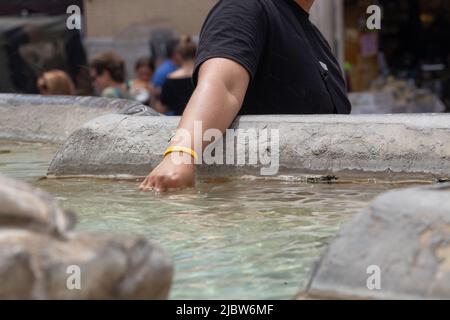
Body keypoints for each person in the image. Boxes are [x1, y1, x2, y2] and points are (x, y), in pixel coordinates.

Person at [140, 0, 352, 192]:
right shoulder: (246, 6)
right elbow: (223, 84)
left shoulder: (316, 37)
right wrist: (181, 153)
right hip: (261, 214)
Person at [156, 35, 197, 115]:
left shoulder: (170, 79)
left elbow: (162, 108)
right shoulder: (203, 76)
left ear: (179, 56)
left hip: (180, 121)